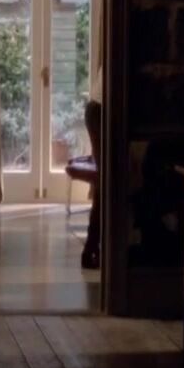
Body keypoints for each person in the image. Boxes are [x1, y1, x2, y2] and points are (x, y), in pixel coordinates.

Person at [82, 65, 103, 270]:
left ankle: (92, 247)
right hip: (100, 112)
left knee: (104, 183)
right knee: (106, 183)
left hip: (96, 110)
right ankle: (91, 248)